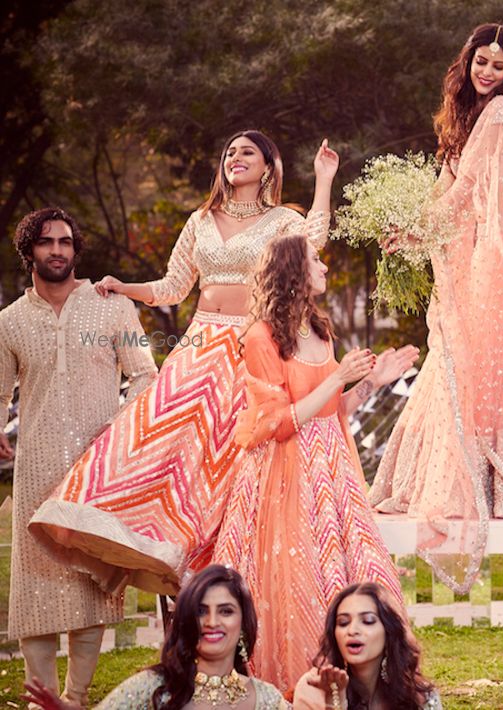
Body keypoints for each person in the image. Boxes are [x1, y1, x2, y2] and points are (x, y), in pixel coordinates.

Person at [366, 24, 503, 706]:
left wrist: (417, 228)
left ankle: (502, 484)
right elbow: (455, 189)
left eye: (500, 63)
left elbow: (466, 198)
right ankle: (488, 481)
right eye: (481, 61)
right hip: (481, 259)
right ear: (466, 64)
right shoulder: (464, 117)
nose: (490, 71)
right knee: (470, 360)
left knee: (489, 358)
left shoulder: (498, 115)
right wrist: (415, 231)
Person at [30, 130, 338, 594]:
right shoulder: (201, 219)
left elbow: (314, 238)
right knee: (163, 446)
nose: (235, 157)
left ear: (268, 166)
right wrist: (124, 286)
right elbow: (173, 287)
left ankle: (230, 562)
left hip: (251, 347)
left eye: (247, 152)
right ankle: (152, 542)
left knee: (234, 459)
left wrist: (323, 179)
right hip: (201, 347)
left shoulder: (280, 220)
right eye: (230, 151)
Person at [213, 234, 415, 691]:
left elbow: (332, 412)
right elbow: (277, 422)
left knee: (357, 572)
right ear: (292, 272)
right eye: (314, 260)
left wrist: (371, 384)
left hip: (333, 473)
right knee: (297, 579)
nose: (323, 267)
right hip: (286, 476)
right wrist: (339, 378)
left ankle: (366, 686)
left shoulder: (321, 331)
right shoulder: (261, 337)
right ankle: (296, 688)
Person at [0, 208, 157, 707]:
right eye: (46, 243)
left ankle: (77, 698)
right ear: (30, 252)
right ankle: (40, 699)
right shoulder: (9, 322)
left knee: (92, 582)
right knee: (36, 586)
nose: (58, 251)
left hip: (98, 468)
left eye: (65, 242)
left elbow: (145, 375)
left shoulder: (111, 307)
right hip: (38, 467)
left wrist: (122, 431)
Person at [24, 564, 288, 710]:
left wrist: (330, 698)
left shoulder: (267, 700)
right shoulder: (151, 689)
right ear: (186, 621)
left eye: (226, 611)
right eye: (200, 611)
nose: (212, 622)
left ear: (244, 623)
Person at [292, 582, 441, 710]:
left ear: (389, 630)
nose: (352, 631)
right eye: (343, 623)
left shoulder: (419, 694)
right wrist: (334, 701)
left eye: (368, 621)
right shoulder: (314, 686)